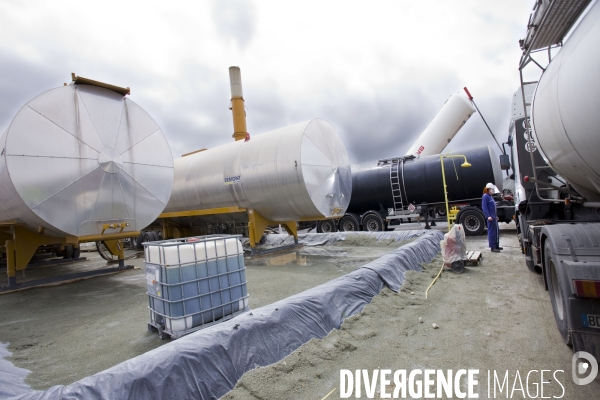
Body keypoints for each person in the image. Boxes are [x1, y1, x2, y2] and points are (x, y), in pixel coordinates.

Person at [482, 182, 502, 252]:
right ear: (488, 189)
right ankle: (492, 247)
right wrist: (488, 216)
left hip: (494, 217)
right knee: (492, 232)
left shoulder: (490, 197)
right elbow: (484, 207)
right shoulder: (485, 196)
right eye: (492, 189)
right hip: (490, 218)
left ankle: (496, 245)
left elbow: (493, 208)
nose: (493, 191)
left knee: (496, 231)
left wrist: (495, 216)